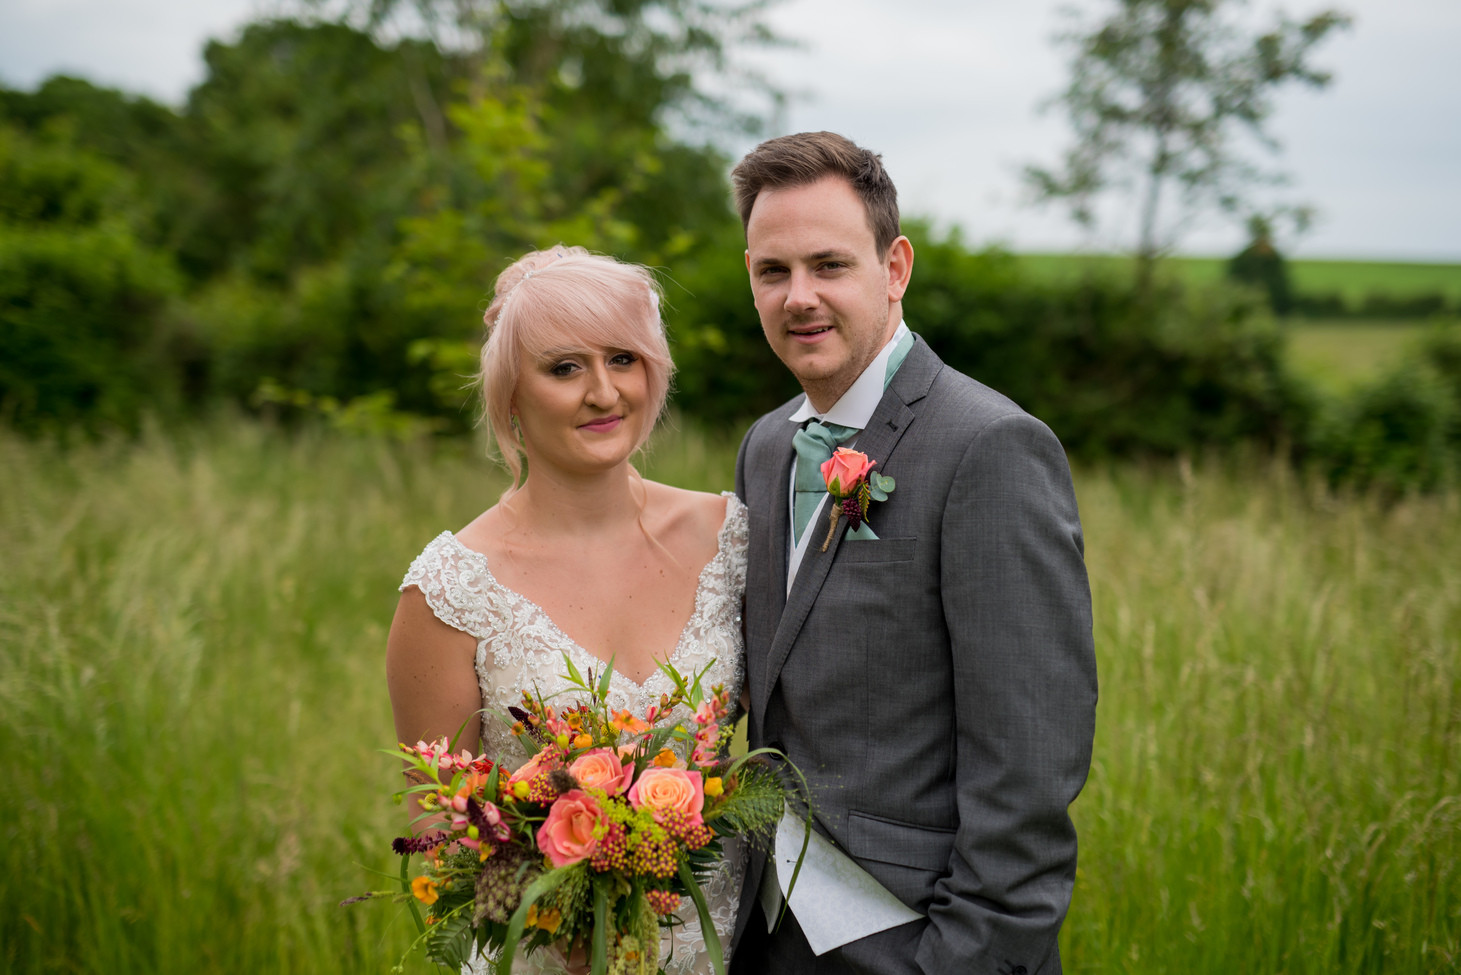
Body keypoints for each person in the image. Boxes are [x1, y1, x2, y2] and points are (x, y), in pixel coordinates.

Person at [728, 132, 1098, 974]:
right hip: (768, 931)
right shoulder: (765, 448)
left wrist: (961, 958)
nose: (799, 297)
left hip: (917, 937)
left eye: (829, 265)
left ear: (893, 269)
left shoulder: (990, 446)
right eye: (772, 272)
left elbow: (1029, 764)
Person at [385, 246, 747, 975]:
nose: (604, 393)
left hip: (726, 948)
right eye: (564, 368)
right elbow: (445, 824)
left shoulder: (731, 536)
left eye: (624, 358)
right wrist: (556, 914)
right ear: (510, 393)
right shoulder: (450, 591)